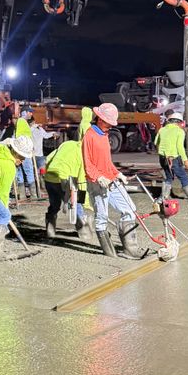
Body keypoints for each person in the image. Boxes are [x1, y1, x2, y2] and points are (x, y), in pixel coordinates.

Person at [81, 102, 143, 258]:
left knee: (130, 209)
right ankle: (109, 252)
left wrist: (117, 173)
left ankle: (130, 249)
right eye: (109, 122)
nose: (110, 126)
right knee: (101, 217)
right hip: (97, 183)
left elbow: (107, 162)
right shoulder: (89, 135)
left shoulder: (104, 134)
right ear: (100, 119)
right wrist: (98, 177)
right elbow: (88, 164)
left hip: (110, 180)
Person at [43, 138, 87, 239]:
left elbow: (48, 158)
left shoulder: (67, 144)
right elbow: (82, 178)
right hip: (66, 180)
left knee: (54, 205)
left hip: (50, 178)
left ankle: (50, 229)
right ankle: (83, 232)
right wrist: (82, 197)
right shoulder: (84, 153)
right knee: (77, 205)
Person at [154, 110, 188, 199]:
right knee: (183, 176)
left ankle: (164, 196)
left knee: (168, 177)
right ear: (179, 122)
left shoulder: (162, 130)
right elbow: (180, 147)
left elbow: (156, 142)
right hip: (173, 158)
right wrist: (185, 160)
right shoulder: (180, 131)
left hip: (163, 158)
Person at [14, 108, 36, 197]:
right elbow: (20, 136)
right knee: (29, 170)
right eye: (30, 112)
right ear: (25, 112)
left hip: (21, 150)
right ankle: (33, 194)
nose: (31, 114)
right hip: (24, 150)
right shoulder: (22, 122)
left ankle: (22, 194)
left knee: (19, 171)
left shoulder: (22, 122)